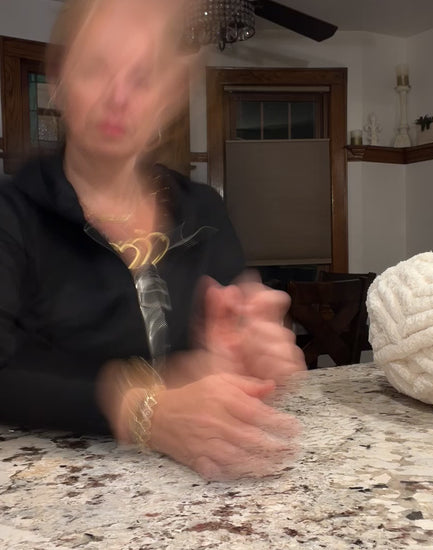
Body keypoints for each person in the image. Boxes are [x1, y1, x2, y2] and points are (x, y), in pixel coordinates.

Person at [0, 0, 305, 480]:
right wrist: (142, 410)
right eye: (96, 68)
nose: (118, 96)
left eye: (142, 79)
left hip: (199, 484)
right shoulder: (11, 211)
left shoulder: (204, 210)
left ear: (167, 100)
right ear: (58, 80)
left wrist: (253, 353)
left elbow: (228, 348)